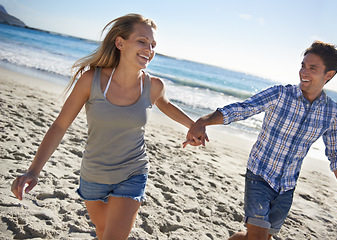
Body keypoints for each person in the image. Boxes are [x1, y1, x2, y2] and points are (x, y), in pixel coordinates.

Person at [11, 14, 202, 240]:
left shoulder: (153, 86)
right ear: (120, 43)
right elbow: (60, 125)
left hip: (133, 172)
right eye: (142, 41)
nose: (149, 49)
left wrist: (194, 125)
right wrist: (34, 169)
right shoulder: (91, 80)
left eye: (153, 45)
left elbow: (167, 106)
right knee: (102, 233)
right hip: (93, 176)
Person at [183, 41, 337, 240]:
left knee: (256, 237)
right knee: (257, 237)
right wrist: (205, 121)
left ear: (329, 75)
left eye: (312, 68)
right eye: (303, 65)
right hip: (259, 176)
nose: (304, 72)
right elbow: (243, 109)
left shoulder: (331, 112)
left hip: (287, 187)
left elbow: (336, 152)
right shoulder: (280, 94)